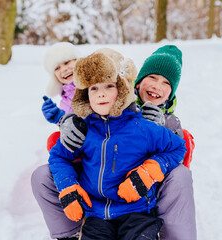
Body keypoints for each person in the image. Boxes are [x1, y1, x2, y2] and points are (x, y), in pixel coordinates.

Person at [31, 46, 197, 240]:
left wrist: (149, 167)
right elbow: (63, 150)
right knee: (46, 166)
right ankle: (71, 233)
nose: (156, 86)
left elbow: (178, 151)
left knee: (181, 169)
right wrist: (66, 121)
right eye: (152, 78)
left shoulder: (164, 122)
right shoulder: (100, 108)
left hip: (140, 201)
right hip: (97, 203)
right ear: (137, 81)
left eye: (166, 83)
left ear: (171, 92)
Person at [40, 42, 80, 151]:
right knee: (54, 140)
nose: (63, 70)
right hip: (80, 146)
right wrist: (59, 118)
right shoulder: (64, 101)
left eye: (67, 62)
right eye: (57, 68)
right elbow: (67, 130)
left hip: (100, 139)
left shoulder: (93, 87)